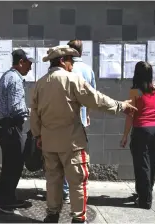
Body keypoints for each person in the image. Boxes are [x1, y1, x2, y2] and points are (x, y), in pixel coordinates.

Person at [30, 45, 137, 223]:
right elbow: (96, 100)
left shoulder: (40, 83)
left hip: (48, 142)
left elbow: (35, 114)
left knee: (53, 181)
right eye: (71, 60)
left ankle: (52, 215)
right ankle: (78, 218)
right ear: (63, 61)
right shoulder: (72, 80)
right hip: (72, 143)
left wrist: (38, 136)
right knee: (77, 182)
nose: (72, 64)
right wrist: (121, 106)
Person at [0, 49, 36, 214]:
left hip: (3, 125)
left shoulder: (6, 76)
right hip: (11, 126)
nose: (30, 68)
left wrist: (4, 106)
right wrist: (34, 111)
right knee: (15, 164)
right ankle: (6, 200)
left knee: (10, 163)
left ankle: (1, 197)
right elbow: (17, 108)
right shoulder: (16, 79)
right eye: (29, 64)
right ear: (21, 62)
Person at [120, 61, 155, 210]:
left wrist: (125, 136)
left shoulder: (135, 92)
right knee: (152, 164)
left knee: (142, 165)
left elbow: (130, 116)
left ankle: (145, 201)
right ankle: (146, 193)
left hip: (142, 131)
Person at [62, 39, 97, 204]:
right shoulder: (88, 70)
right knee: (77, 157)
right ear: (81, 51)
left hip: (63, 120)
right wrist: (87, 114)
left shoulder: (64, 68)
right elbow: (92, 97)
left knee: (62, 155)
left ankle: (65, 190)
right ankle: (75, 189)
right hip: (80, 120)